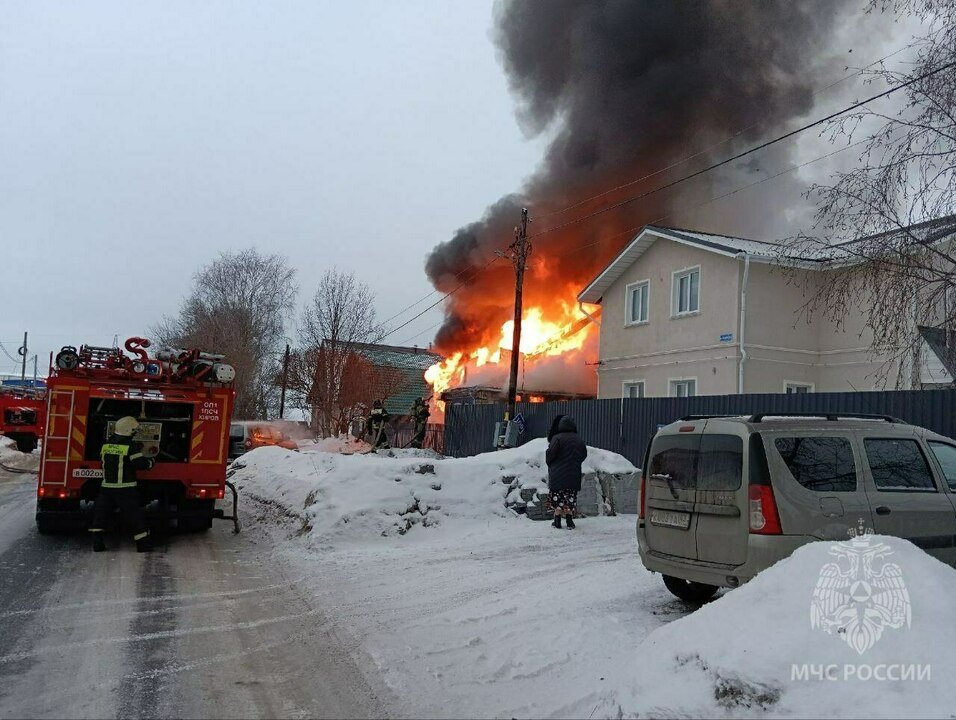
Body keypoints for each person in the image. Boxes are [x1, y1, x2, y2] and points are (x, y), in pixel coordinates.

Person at [90, 416, 155, 552]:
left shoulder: (106, 445)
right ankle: (143, 545)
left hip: (106, 488)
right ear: (128, 431)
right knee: (135, 517)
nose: (135, 433)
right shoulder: (129, 446)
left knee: (100, 516)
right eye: (133, 430)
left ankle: (97, 544)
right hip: (126, 489)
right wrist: (151, 462)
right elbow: (140, 464)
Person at [545, 415, 587, 529]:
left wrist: (552, 464)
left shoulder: (557, 438)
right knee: (570, 497)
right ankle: (569, 521)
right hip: (573, 474)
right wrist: (575, 463)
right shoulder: (578, 439)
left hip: (558, 474)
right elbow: (583, 454)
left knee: (557, 498)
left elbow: (550, 454)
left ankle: (557, 521)